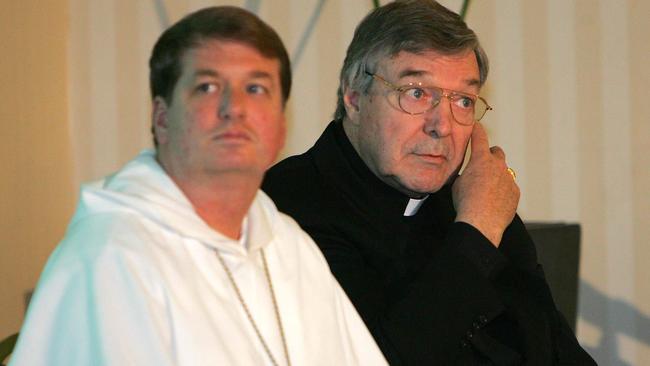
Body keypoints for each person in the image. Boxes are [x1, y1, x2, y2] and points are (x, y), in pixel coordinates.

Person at [10, 6, 386, 366]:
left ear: (280, 126)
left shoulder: (290, 246)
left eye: (256, 89)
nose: (233, 108)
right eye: (207, 87)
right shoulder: (112, 256)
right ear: (161, 118)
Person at [263, 0, 596, 364]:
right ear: (355, 98)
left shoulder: (467, 194)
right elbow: (381, 357)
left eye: (464, 100)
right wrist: (477, 230)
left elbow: (556, 346)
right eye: (417, 93)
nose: (442, 125)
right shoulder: (288, 207)